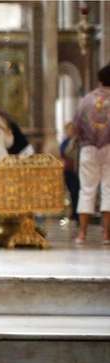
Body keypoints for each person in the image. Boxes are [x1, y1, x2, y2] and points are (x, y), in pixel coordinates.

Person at [73, 63, 110, 244]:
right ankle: (106, 235)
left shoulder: (87, 100)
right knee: (108, 189)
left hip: (88, 148)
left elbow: (76, 125)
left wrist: (84, 140)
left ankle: (82, 234)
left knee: (86, 189)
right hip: (109, 148)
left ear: (100, 79)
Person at [60, 122, 80, 222]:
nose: (71, 131)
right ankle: (74, 212)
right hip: (69, 170)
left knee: (76, 191)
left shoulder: (77, 141)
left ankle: (77, 213)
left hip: (77, 169)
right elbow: (64, 152)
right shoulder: (66, 141)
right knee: (72, 192)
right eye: (69, 130)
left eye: (72, 130)